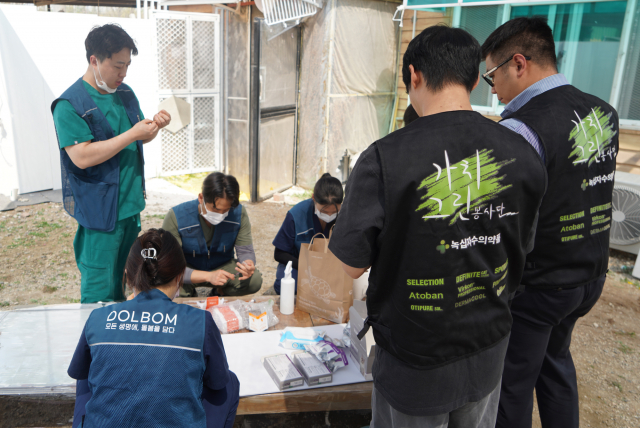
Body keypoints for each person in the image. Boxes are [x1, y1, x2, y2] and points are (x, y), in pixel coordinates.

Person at [328, 26, 547, 428]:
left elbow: (351, 265)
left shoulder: (384, 158)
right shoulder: (523, 152)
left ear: (414, 75)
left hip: (416, 359)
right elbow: (523, 245)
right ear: (473, 79)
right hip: (488, 346)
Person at [481, 18, 618, 428]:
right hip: (589, 274)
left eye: (492, 75)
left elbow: (506, 215)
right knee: (555, 364)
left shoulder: (522, 128)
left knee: (512, 384)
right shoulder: (603, 112)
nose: (492, 89)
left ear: (518, 63)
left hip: (541, 285)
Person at [68, 229, 239, 428]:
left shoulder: (98, 317)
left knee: (86, 372)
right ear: (180, 276)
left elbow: (79, 371)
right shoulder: (200, 321)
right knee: (229, 381)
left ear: (128, 276)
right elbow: (217, 381)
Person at [51, 24, 171, 303]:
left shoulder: (124, 93)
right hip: (101, 215)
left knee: (127, 281)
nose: (123, 73)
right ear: (94, 60)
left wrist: (154, 128)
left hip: (130, 208)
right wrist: (132, 134)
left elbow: (137, 139)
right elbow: (81, 156)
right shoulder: (69, 104)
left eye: (127, 65)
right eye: (118, 65)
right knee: (99, 292)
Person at [162, 172, 262, 297]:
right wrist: (208, 276)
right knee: (168, 287)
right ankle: (189, 294)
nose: (221, 215)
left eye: (226, 210)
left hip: (223, 267)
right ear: (201, 198)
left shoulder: (238, 213)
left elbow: (245, 250)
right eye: (216, 209)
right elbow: (169, 266)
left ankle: (220, 292)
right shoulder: (176, 216)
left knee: (254, 281)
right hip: (188, 269)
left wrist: (247, 265)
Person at [271, 173, 343, 294]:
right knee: (287, 287)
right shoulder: (296, 215)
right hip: (300, 264)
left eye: (334, 212)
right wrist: (308, 267)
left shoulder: (345, 216)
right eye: (324, 212)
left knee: (341, 289)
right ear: (313, 198)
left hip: (331, 266)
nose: (329, 216)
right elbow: (279, 254)